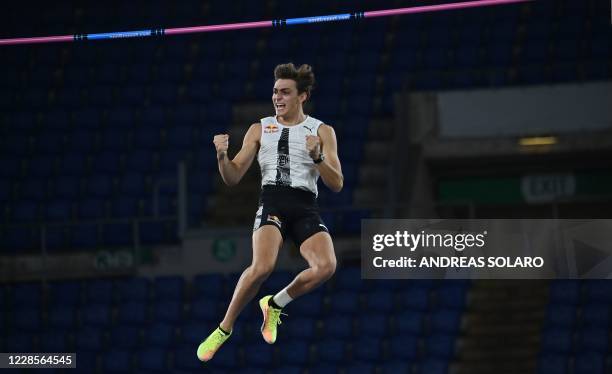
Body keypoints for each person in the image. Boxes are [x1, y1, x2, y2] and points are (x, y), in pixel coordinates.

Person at [197, 63, 343, 362]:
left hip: (305, 206)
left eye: (285, 92)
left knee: (326, 266)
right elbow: (232, 177)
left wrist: (318, 157)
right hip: (274, 202)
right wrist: (222, 155)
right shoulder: (259, 128)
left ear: (302, 96)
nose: (278, 98)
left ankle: (275, 304)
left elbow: (337, 183)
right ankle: (224, 329)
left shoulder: (322, 130)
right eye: (275, 91)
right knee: (262, 267)